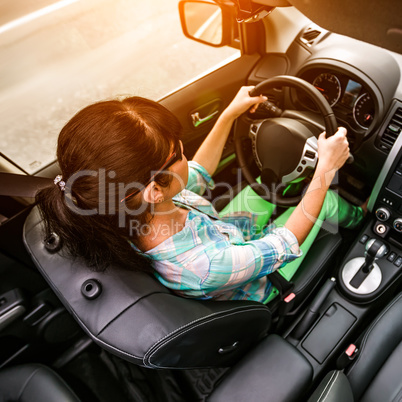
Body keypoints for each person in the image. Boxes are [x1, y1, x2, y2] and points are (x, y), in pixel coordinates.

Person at [36, 86, 364, 303]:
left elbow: (200, 173)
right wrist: (326, 168)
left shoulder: (128, 206)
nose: (185, 153)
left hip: (223, 233)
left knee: (263, 191)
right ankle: (363, 214)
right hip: (261, 283)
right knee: (328, 201)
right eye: (178, 154)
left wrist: (229, 115)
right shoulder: (203, 266)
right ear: (153, 190)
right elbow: (284, 244)